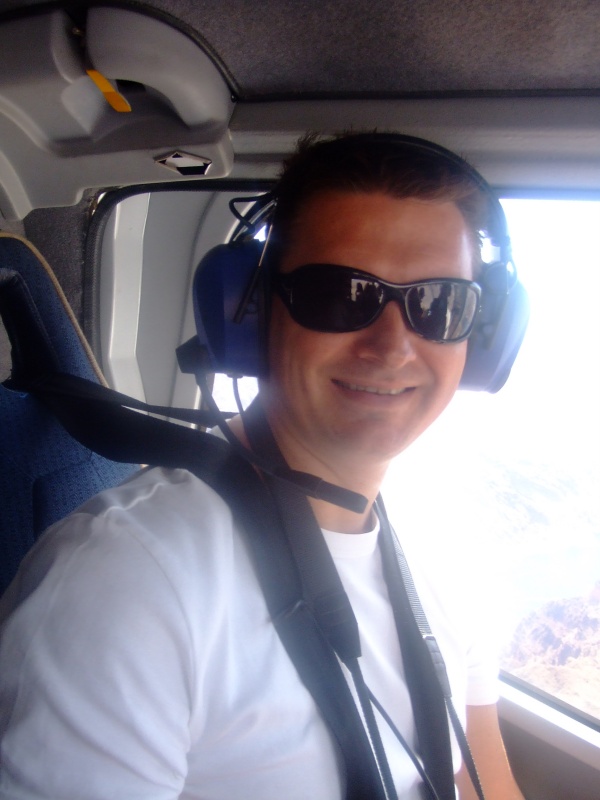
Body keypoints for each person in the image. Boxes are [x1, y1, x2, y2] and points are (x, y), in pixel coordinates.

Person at [0, 133, 524, 799]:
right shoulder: (126, 581)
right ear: (247, 316)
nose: (392, 346)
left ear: (482, 336)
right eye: (341, 295)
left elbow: (483, 784)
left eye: (439, 304)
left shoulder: (454, 557)